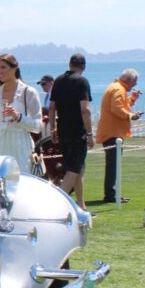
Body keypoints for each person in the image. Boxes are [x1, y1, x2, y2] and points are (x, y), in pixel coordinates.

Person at [49, 54, 93, 210]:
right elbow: (85, 110)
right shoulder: (82, 82)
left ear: (69, 64)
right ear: (83, 66)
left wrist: (52, 127)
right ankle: (55, 203)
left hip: (62, 130)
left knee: (77, 168)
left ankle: (81, 205)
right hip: (77, 131)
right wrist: (89, 133)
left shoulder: (59, 81)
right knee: (74, 170)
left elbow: (52, 107)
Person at [0, 54, 43, 173]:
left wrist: (19, 117)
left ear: (14, 69)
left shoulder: (29, 92)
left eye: (3, 67)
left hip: (21, 149)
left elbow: (38, 126)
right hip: (0, 148)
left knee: (21, 186)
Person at [95, 69, 143, 203]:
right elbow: (116, 108)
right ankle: (110, 195)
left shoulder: (116, 87)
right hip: (113, 133)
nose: (135, 84)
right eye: (135, 81)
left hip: (112, 131)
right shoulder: (119, 89)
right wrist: (131, 116)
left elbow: (122, 105)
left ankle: (112, 193)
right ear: (129, 80)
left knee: (113, 165)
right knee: (113, 165)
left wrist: (132, 98)